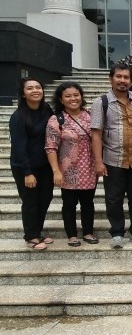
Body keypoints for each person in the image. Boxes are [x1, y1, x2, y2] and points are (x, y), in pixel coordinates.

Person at [91, 63, 132, 249]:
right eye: (119, 77)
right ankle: (117, 232)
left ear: (131, 81)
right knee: (114, 198)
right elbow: (96, 133)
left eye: (126, 77)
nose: (122, 81)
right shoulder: (101, 102)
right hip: (113, 160)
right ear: (111, 79)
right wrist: (98, 162)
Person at [45, 82, 97, 247]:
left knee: (88, 203)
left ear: (81, 96)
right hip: (68, 170)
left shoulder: (90, 116)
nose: (73, 99)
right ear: (61, 99)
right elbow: (51, 147)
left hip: (89, 167)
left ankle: (88, 232)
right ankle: (72, 235)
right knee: (69, 204)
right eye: (68, 96)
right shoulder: (57, 119)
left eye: (76, 95)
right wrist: (56, 171)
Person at [9, 77, 54, 250]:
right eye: (30, 88)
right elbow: (18, 147)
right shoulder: (18, 117)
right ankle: (30, 236)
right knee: (30, 201)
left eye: (38, 87)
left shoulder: (46, 110)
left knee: (45, 199)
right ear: (23, 93)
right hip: (25, 167)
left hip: (44, 165)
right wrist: (27, 172)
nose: (35, 90)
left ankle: (37, 232)